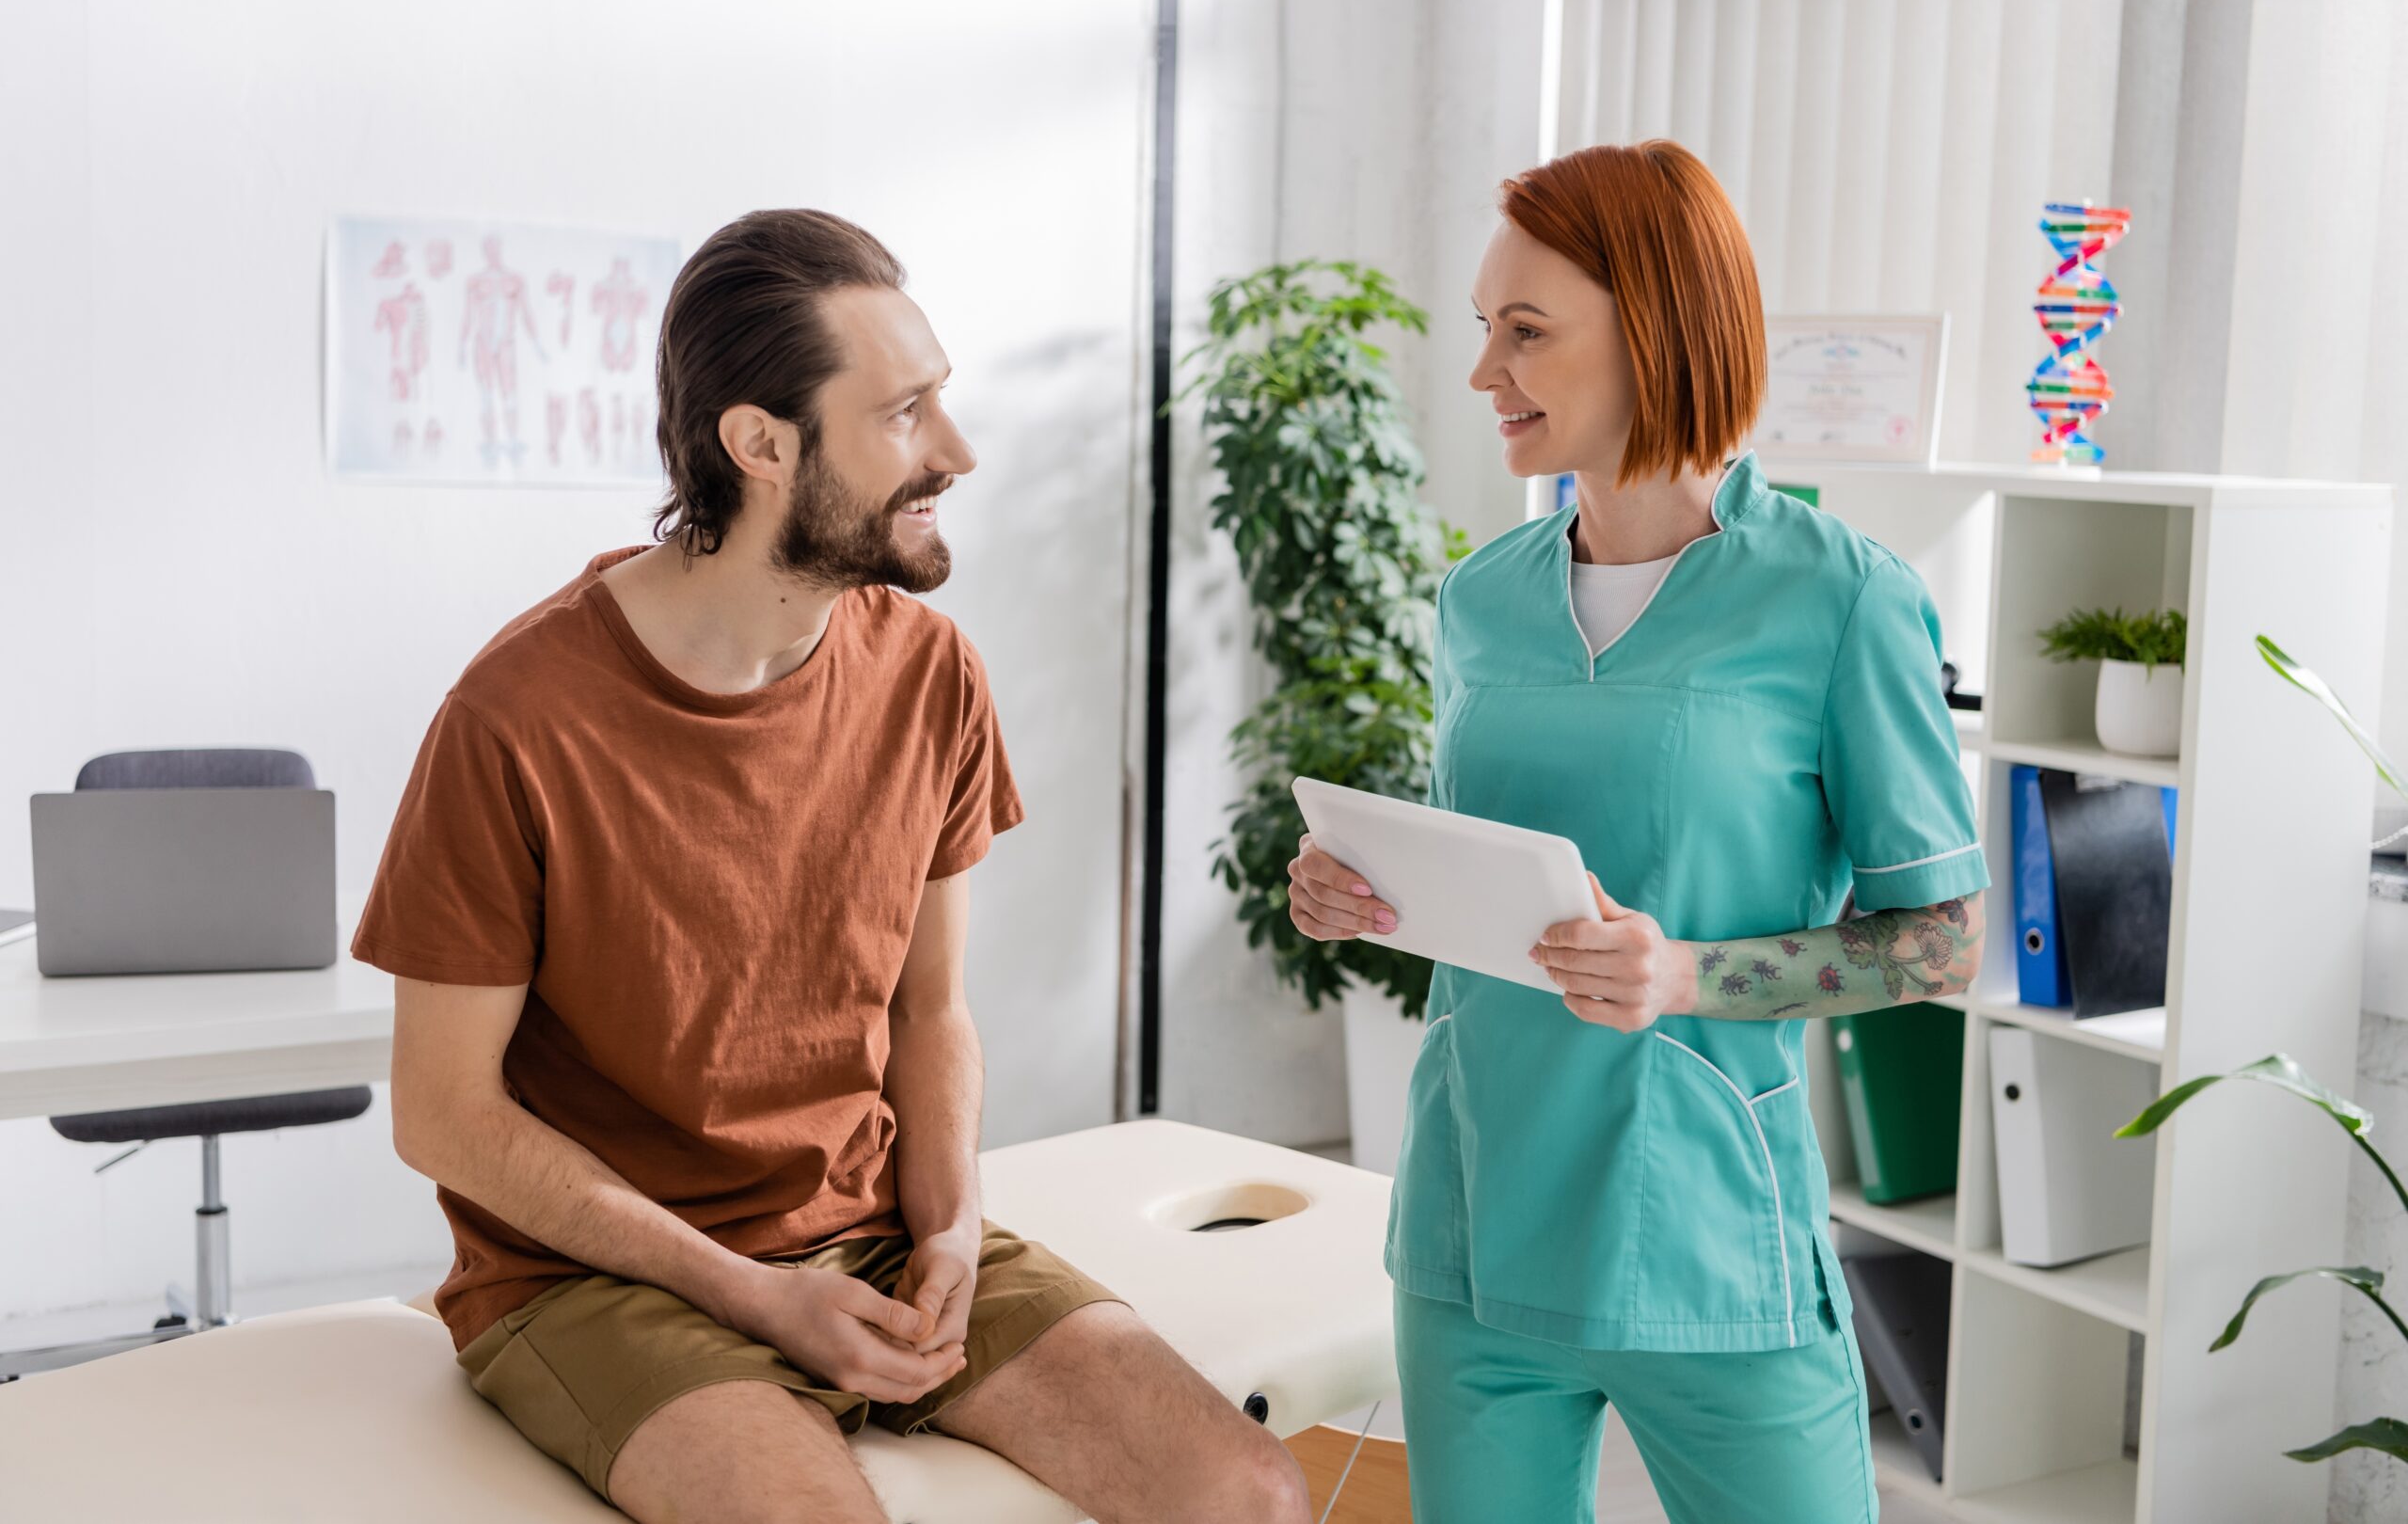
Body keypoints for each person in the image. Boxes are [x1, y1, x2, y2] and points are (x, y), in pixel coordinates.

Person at [359, 209, 1310, 1524]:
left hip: (866, 1230)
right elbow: (442, 1113)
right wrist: (751, 1292)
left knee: (1246, 1492)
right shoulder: (516, 717)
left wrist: (954, 1232)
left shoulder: (931, 675)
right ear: (760, 444)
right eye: (905, 413)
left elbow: (930, 1009)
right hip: (598, 1279)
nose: (958, 453)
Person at [1288, 140, 1989, 1524]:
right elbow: (1492, 875)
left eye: (1527, 331)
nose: (1484, 370)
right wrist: (1362, 890)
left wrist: (1688, 977)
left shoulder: (1841, 600)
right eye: (1488, 328)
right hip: (1474, 1224)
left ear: (1656, 329)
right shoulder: (1480, 597)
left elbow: (1943, 943)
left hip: (1711, 1244)